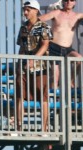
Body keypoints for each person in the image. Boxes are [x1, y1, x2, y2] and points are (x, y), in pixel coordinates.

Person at [38, 0, 83, 88]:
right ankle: (55, 95)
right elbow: (39, 20)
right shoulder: (56, 13)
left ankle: (71, 80)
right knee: (55, 77)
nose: (68, 2)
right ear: (63, 2)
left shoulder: (77, 16)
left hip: (67, 49)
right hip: (54, 48)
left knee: (79, 59)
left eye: (71, 0)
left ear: (74, 2)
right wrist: (43, 35)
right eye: (66, 0)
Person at [15, 0, 52, 133]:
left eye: (28, 10)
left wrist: (34, 58)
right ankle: (18, 128)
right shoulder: (23, 28)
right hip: (24, 67)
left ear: (36, 11)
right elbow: (21, 48)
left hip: (40, 67)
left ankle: (44, 130)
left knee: (43, 97)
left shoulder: (44, 26)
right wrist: (19, 64)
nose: (25, 12)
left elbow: (45, 45)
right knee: (19, 96)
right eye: (24, 10)